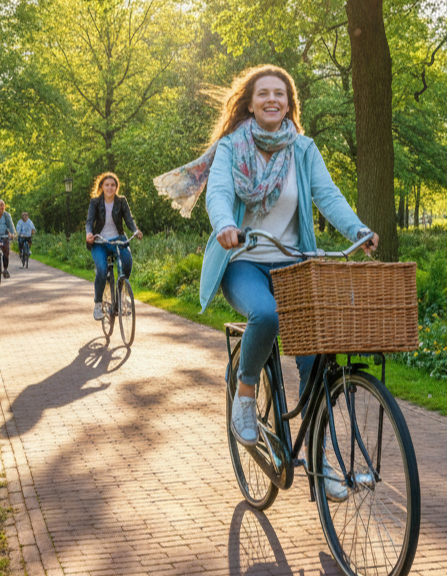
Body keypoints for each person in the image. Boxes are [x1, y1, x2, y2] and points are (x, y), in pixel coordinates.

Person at [154, 65, 378, 492]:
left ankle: (322, 461)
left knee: (318, 362)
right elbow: (219, 194)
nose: (272, 99)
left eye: (281, 93)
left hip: (294, 265)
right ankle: (244, 392)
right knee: (267, 315)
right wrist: (223, 224)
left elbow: (328, 195)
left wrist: (358, 230)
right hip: (244, 262)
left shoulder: (303, 149)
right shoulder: (231, 148)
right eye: (264, 93)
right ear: (250, 102)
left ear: (289, 103)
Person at [86, 173, 143, 320]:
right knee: (102, 270)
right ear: (102, 187)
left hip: (118, 240)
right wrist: (89, 234)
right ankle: (98, 303)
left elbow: (129, 219)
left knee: (127, 261)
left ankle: (122, 295)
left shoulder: (121, 201)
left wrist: (135, 230)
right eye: (107, 185)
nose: (110, 187)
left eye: (113, 185)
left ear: (116, 187)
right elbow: (89, 222)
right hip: (99, 242)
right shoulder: (95, 202)